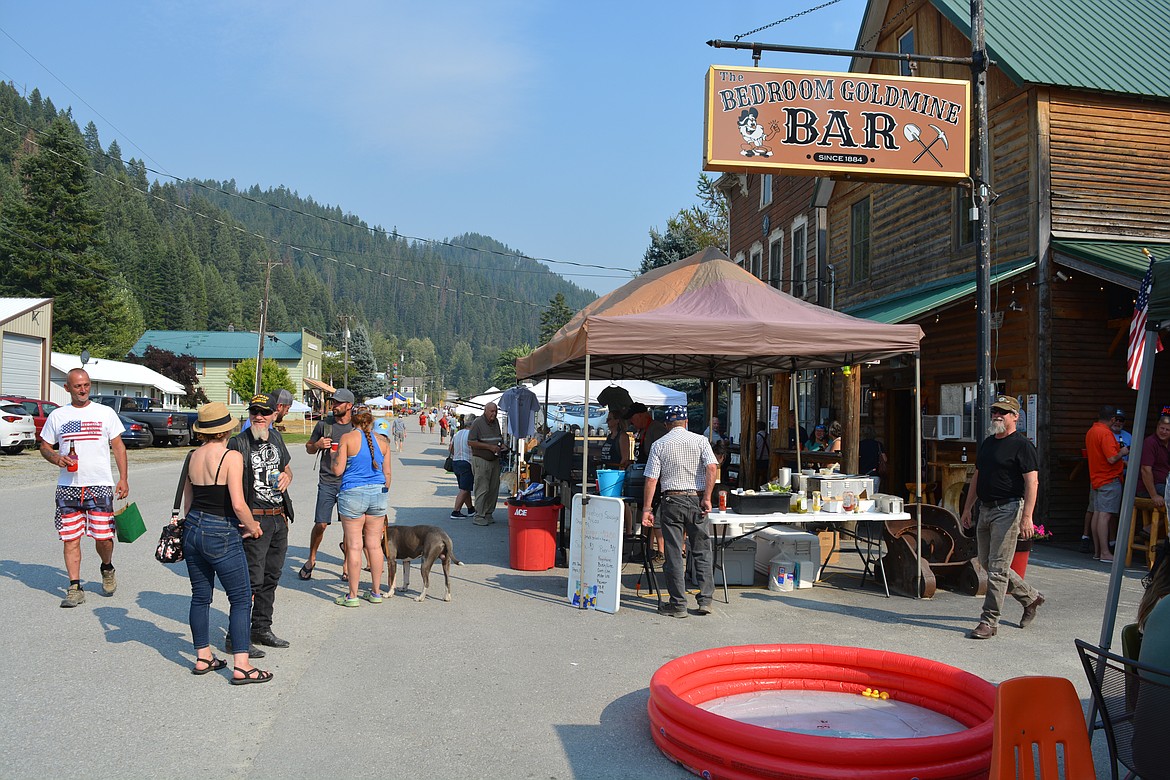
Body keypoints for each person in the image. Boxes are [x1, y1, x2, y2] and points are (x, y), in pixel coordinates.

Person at [181, 403, 271, 684]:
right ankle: (242, 665)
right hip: (221, 529)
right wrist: (253, 526)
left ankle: (203, 655)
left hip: (193, 526)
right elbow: (238, 503)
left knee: (200, 596)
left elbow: (187, 502)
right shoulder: (231, 456)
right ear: (227, 429)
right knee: (242, 598)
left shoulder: (192, 456)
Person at [38, 368, 129, 608]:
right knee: (71, 538)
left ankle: (107, 567)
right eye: (77, 386)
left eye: (86, 385)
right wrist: (56, 458)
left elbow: (118, 446)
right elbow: (45, 446)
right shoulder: (58, 416)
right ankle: (75, 586)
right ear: (67, 388)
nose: (83, 389)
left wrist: (123, 478)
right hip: (68, 487)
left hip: (98, 485)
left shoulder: (105, 413)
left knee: (104, 537)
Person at [959, 395, 1045, 640]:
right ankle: (1030, 597)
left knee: (997, 569)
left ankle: (989, 622)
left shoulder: (1022, 445)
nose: (997, 415)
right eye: (995, 411)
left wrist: (1027, 517)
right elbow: (977, 476)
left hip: (1008, 509)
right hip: (985, 508)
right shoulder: (988, 443)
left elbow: (1032, 482)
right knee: (987, 563)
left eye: (1003, 412)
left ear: (1015, 416)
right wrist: (967, 508)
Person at [228, 392, 294, 651]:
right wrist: (243, 519)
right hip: (254, 519)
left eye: (264, 412)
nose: (258, 416)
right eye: (254, 411)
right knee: (250, 581)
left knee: (271, 577)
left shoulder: (276, 437)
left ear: (274, 415)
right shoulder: (238, 443)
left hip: (278, 518)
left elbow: (287, 468)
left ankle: (261, 628)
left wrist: (288, 477)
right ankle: (236, 636)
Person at [641, 405, 718, 618]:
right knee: (701, 550)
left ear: (667, 425)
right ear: (686, 423)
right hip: (695, 499)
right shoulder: (701, 441)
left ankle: (678, 604)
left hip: (671, 499)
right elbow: (712, 467)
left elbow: (651, 479)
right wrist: (707, 497)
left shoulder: (659, 444)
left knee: (674, 552)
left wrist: (647, 509)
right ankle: (705, 601)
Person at [330, 408, 391, 605]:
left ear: (353, 421)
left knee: (355, 546)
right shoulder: (383, 442)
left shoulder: (348, 438)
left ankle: (353, 595)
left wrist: (333, 457)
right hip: (378, 494)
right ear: (372, 422)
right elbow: (387, 475)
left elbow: (338, 471)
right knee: (374, 545)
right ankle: (375, 592)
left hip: (353, 494)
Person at [300, 388, 355, 580]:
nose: (334, 405)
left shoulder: (356, 428)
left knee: (349, 527)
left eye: (339, 402)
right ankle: (311, 558)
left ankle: (347, 564)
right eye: (333, 402)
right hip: (327, 481)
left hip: (349, 482)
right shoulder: (324, 425)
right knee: (321, 524)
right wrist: (317, 445)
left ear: (349, 406)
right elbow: (308, 448)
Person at [627, 402, 669, 560]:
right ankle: (647, 549)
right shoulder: (642, 430)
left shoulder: (656, 429)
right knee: (645, 516)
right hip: (644, 477)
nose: (632, 422)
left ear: (641, 416)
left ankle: (661, 552)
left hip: (657, 481)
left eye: (633, 419)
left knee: (655, 517)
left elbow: (661, 455)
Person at [1086, 405, 1128, 562]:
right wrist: (1122, 453)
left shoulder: (1092, 431)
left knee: (1097, 514)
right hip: (1108, 479)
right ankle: (1105, 552)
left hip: (1096, 478)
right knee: (1105, 516)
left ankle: (1098, 552)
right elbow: (1111, 458)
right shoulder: (1106, 434)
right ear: (1112, 419)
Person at [468, 403, 504, 526]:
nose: (494, 414)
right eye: (491, 411)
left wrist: (502, 446)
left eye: (495, 412)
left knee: (493, 488)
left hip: (494, 459)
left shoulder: (496, 423)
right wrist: (489, 447)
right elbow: (471, 442)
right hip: (481, 459)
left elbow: (499, 439)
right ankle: (479, 515)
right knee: (482, 488)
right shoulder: (478, 422)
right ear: (485, 411)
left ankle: (488, 513)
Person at [1137, 416, 1170, 542]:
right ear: (1157, 427)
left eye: (1167, 430)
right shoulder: (1150, 442)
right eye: (1161, 428)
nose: (1164, 432)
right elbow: (1145, 470)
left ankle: (1152, 527)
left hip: (1166, 485)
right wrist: (1154, 495)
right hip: (1150, 487)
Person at [449, 416, 475, 519]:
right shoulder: (471, 435)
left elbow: (450, 448)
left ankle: (470, 509)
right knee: (464, 489)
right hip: (466, 462)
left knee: (465, 487)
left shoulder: (457, 434)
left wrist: (456, 454)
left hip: (456, 462)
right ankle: (455, 511)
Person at [858, 424, 888, 493]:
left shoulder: (860, 444)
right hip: (875, 474)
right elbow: (885, 459)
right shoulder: (878, 444)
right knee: (874, 496)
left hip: (862, 475)